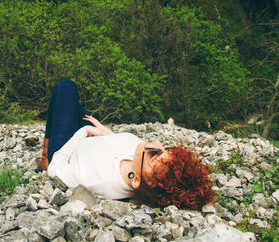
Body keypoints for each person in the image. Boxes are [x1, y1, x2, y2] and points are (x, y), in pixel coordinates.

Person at [38, 79, 215, 210]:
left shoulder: (96, 179)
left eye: (155, 154)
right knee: (72, 104)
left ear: (136, 180)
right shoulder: (141, 163)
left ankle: (46, 154)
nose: (155, 143)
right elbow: (124, 148)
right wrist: (107, 133)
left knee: (66, 88)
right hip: (98, 139)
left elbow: (56, 169)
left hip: (68, 147)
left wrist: (85, 132)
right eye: (164, 149)